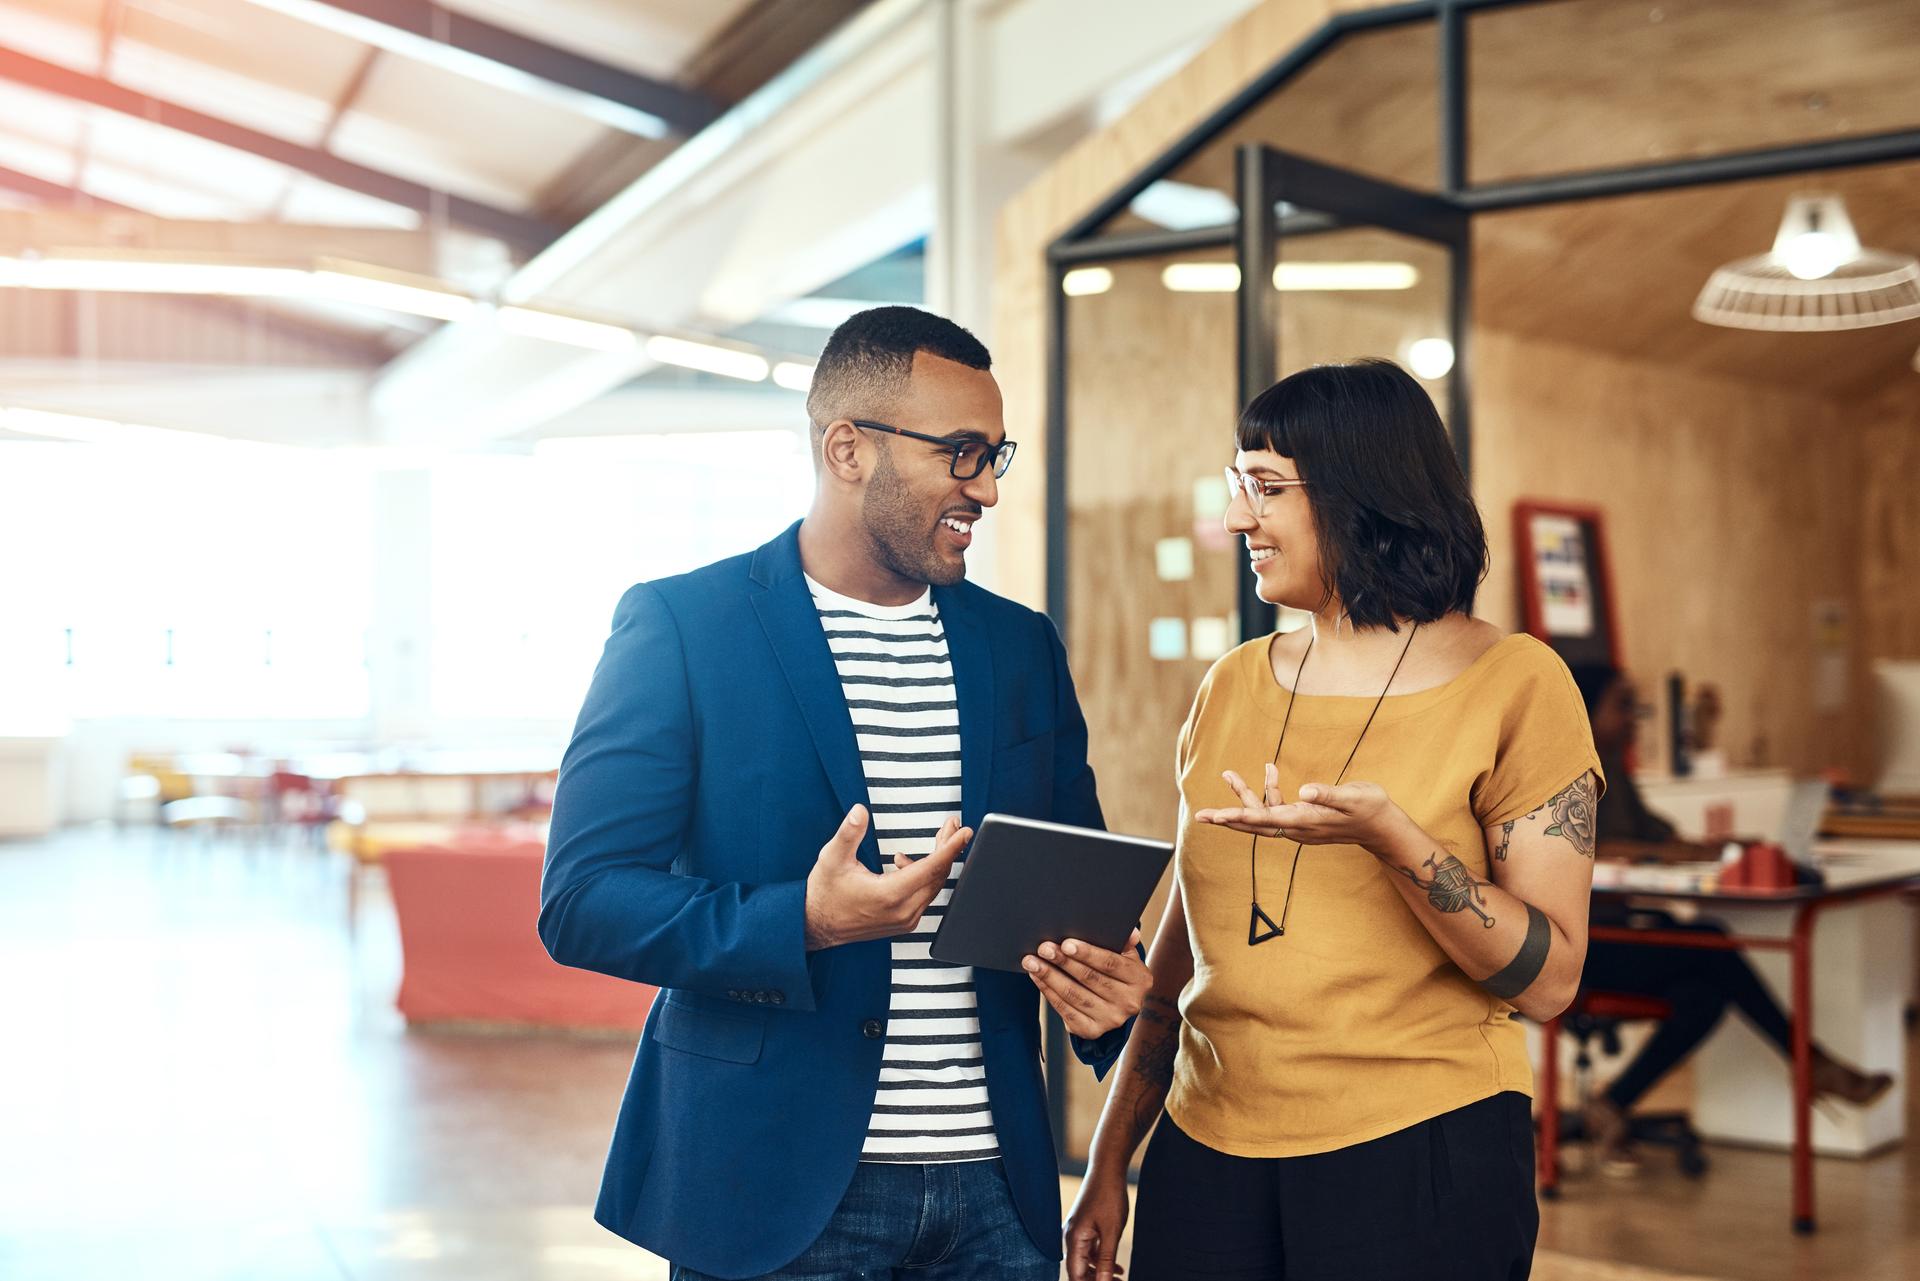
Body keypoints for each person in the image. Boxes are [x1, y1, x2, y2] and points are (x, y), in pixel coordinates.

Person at [540, 305, 1152, 1281]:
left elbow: (1073, 899)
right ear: (847, 449)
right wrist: (806, 922)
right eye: (961, 454)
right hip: (771, 1191)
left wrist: (1110, 995)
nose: (986, 489)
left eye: (997, 455)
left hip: (998, 1197)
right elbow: (582, 903)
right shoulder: (683, 627)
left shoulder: (1019, 645)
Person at [1065, 358, 1601, 1281]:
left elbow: (1550, 980)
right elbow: (1181, 965)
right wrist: (1109, 1164)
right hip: (1208, 1151)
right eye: (1239, 487)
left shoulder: (1517, 683)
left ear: (1361, 495)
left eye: (1265, 488)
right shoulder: (1229, 683)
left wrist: (1393, 840)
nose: (1239, 518)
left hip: (1422, 1152)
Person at [1569, 663, 1891, 1173]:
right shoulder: (1567, 769)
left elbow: (1659, 837)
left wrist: (1716, 849)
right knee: (1712, 942)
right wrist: (1659, 856)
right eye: (1622, 705)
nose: (1636, 717)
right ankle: (1811, 1062)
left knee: (1706, 994)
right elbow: (1584, 849)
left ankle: (1611, 1104)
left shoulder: (1617, 770)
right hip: (1582, 948)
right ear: (1584, 710)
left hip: (1622, 931)